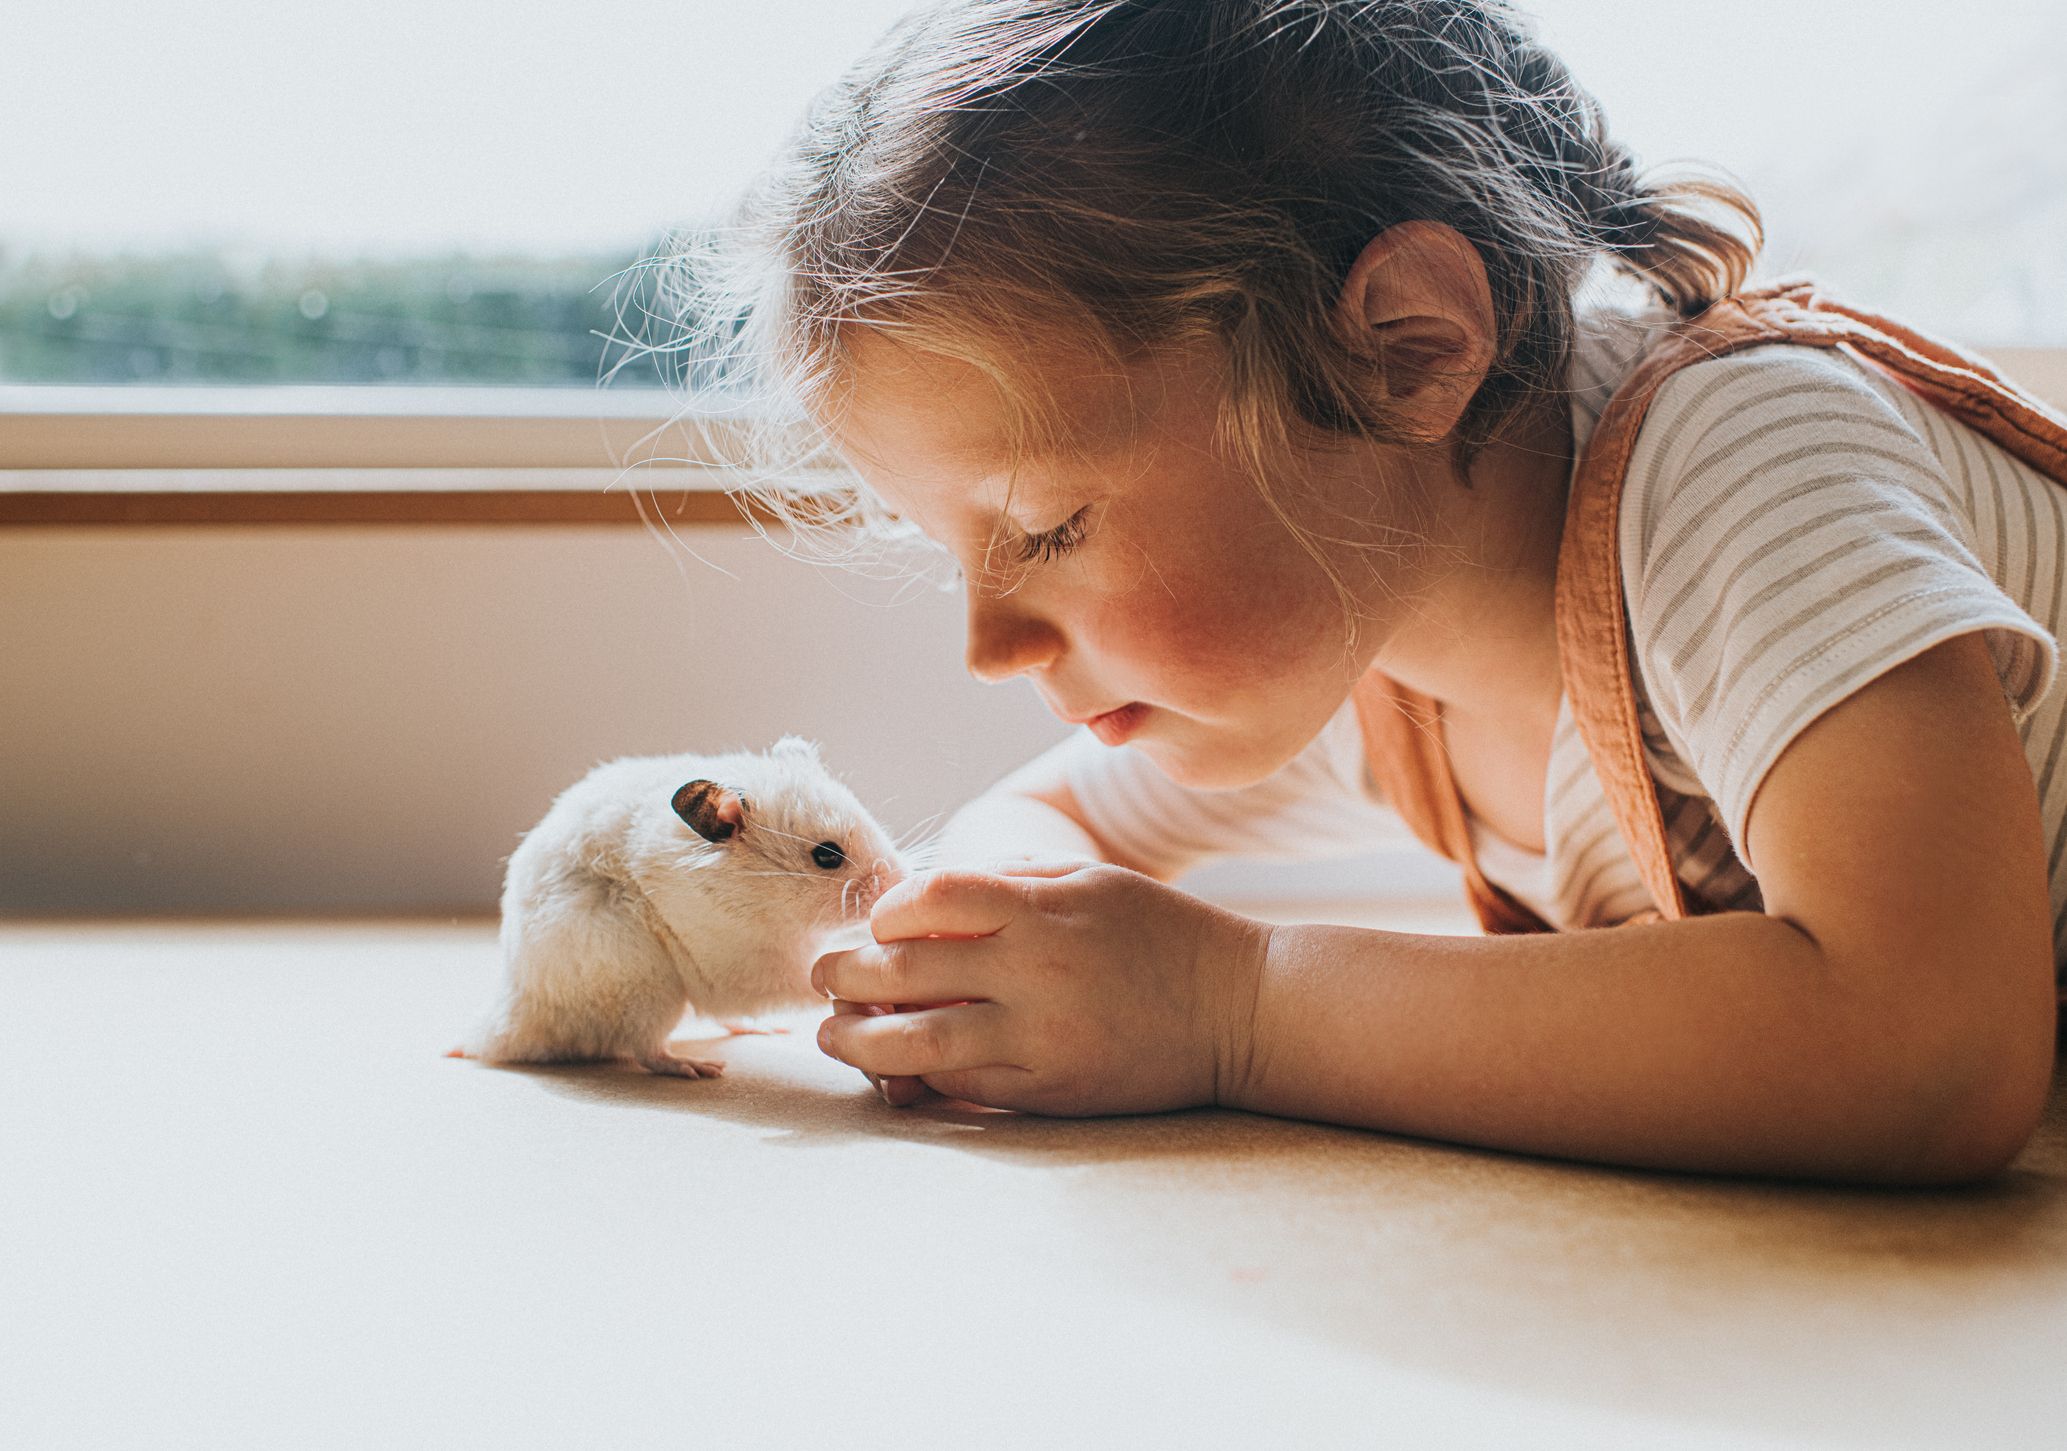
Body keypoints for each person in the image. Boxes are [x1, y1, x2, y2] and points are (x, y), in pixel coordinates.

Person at [678, 0, 2066, 1184]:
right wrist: (990, 953)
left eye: (1044, 527)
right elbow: (1060, 818)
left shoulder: (1738, 467)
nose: (989, 646)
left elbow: (1931, 1042)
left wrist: (1235, 1008)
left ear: (1408, 349)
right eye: (955, 552)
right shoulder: (1374, 643)